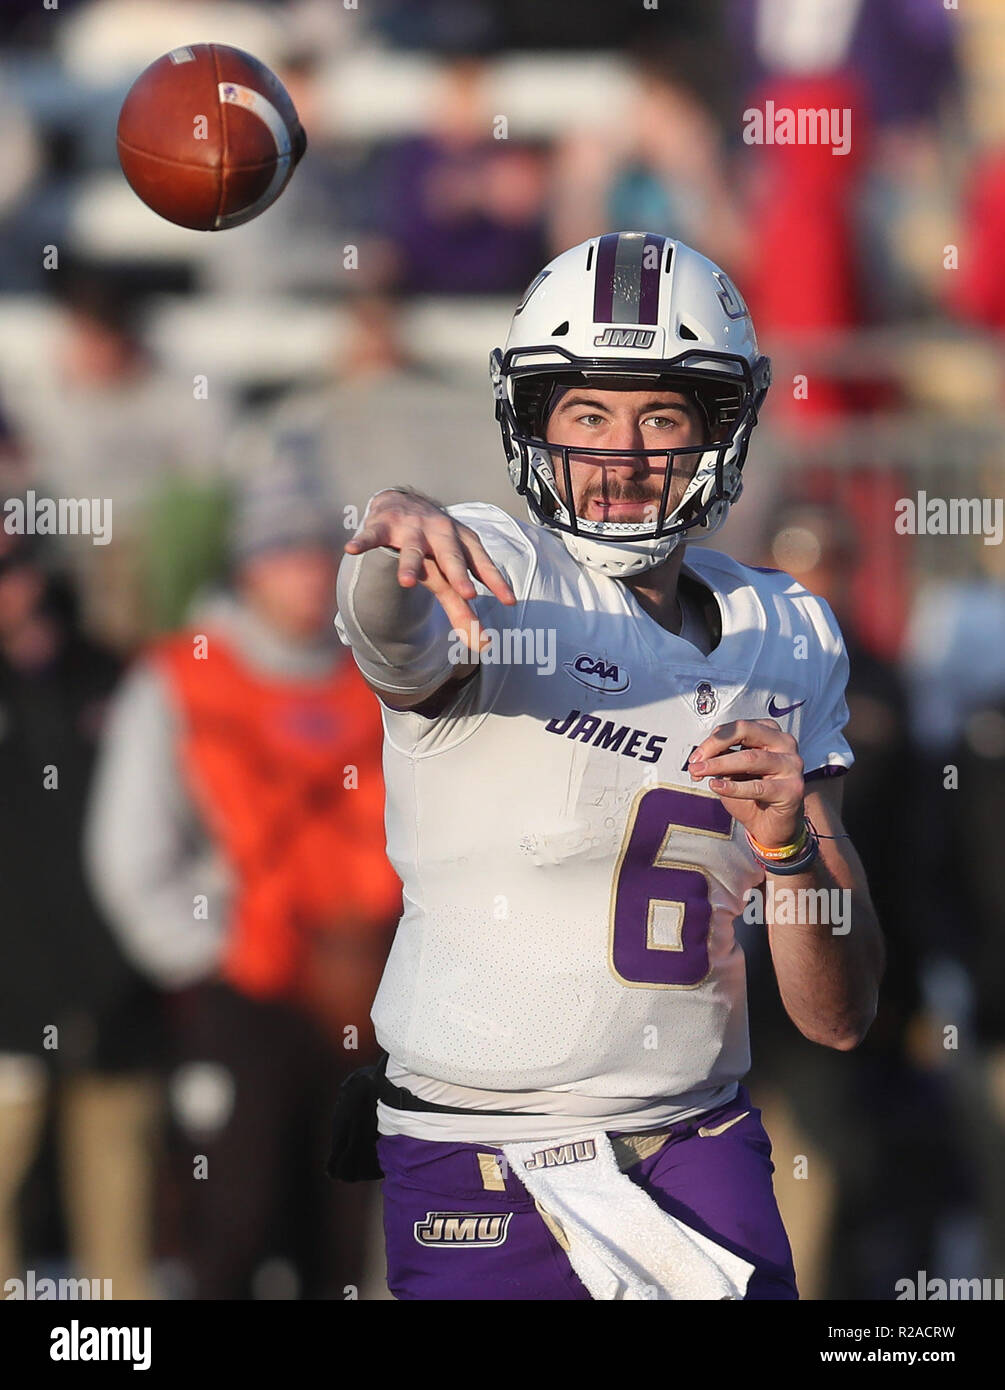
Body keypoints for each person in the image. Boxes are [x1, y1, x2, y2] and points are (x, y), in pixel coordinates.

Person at [334, 231, 886, 1301]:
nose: (622, 456)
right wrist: (392, 538)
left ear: (720, 430)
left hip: (697, 1144)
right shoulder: (501, 575)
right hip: (477, 1158)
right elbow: (393, 631)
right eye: (587, 415)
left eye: (662, 416)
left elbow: (838, 1014)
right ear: (535, 423)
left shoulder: (790, 632)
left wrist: (791, 853)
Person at [86, 465, 401, 1298]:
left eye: (317, 555)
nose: (303, 575)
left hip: (369, 995)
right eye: (281, 556)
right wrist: (213, 953)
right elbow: (130, 851)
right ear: (245, 568)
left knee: (346, 1238)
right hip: (244, 993)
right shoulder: (183, 677)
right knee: (233, 1221)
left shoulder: (381, 674)